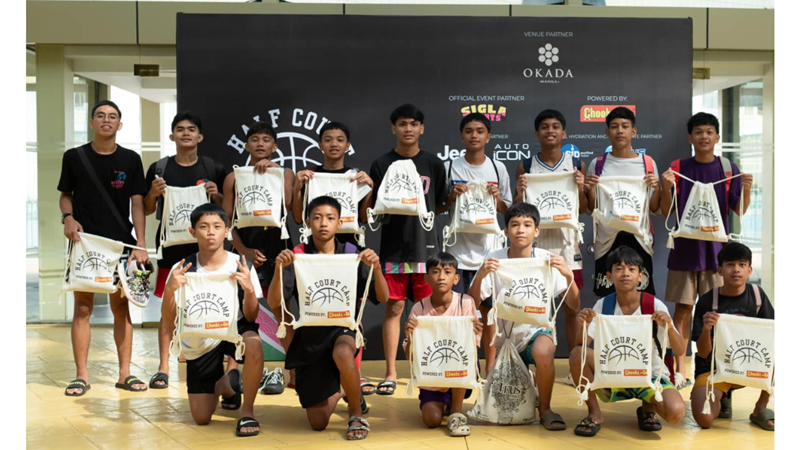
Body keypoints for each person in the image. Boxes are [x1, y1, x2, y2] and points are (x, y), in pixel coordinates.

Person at [267, 196, 389, 440]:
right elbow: (273, 302)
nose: (324, 223)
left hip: (343, 329)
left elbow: (383, 297)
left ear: (340, 223)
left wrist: (376, 268)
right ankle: (345, 387)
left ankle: (355, 413)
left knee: (343, 352)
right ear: (307, 222)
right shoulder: (297, 255)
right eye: (317, 217)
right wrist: (278, 269)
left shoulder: (353, 254)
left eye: (330, 218)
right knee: (318, 423)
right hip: (310, 336)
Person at [58, 100, 150, 396]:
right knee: (83, 308)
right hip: (84, 243)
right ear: (91, 123)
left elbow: (137, 203)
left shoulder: (131, 159)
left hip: (121, 243)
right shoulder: (74, 157)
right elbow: (65, 195)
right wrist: (68, 217)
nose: (106, 120)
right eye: (100, 115)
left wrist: (140, 243)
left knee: (121, 308)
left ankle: (125, 374)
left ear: (119, 125)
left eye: (112, 116)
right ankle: (81, 376)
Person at [469, 203, 580, 431]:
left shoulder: (548, 259)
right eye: (515, 224)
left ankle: (546, 409)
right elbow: (472, 303)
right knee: (504, 409)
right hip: (505, 343)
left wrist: (568, 276)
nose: (521, 229)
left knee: (544, 349)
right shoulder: (495, 259)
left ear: (537, 231)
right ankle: (528, 379)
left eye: (527, 225)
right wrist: (480, 276)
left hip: (535, 335)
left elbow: (574, 305)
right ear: (506, 231)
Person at [661, 112, 752, 389]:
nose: (704, 136)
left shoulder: (728, 168)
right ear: (690, 137)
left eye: (709, 132)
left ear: (717, 137)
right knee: (682, 311)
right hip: (684, 253)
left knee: (717, 314)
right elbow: (666, 211)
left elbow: (739, 210)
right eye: (699, 132)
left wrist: (747, 188)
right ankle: (680, 370)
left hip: (717, 256)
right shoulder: (677, 167)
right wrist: (666, 187)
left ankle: (719, 368)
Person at [366, 104, 448, 395]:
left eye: (414, 124)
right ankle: (390, 372)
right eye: (402, 124)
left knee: (428, 311)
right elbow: (375, 208)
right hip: (393, 249)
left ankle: (427, 368)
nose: (408, 129)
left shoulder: (433, 163)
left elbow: (439, 204)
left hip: (426, 250)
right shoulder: (381, 164)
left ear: (421, 128)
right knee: (395, 308)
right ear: (394, 128)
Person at [161, 203, 264, 437]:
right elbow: (169, 321)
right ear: (192, 231)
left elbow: (251, 316)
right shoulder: (182, 268)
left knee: (254, 344)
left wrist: (249, 290)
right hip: (200, 333)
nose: (210, 232)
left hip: (234, 327)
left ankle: (247, 411)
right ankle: (225, 385)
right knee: (201, 417)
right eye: (203, 227)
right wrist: (169, 290)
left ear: (226, 231)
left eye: (217, 227)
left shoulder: (241, 264)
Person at [144, 111, 228, 389]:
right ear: (172, 136)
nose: (186, 133)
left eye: (191, 129)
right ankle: (163, 367)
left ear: (199, 136)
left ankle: (219, 365)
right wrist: (153, 193)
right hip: (171, 249)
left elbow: (227, 210)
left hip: (209, 251)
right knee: (169, 309)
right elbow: (147, 209)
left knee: (212, 303)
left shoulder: (213, 167)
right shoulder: (159, 168)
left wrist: (217, 195)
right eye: (180, 129)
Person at [291, 122, 377, 394]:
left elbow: (363, 216)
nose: (334, 144)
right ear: (319, 145)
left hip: (348, 252)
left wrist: (370, 188)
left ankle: (353, 376)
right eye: (328, 139)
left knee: (352, 316)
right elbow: (298, 217)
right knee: (317, 310)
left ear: (347, 145)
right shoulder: (309, 175)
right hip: (315, 253)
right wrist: (297, 188)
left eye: (340, 139)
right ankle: (320, 372)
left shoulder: (355, 176)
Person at [569, 246, 685, 437]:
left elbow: (679, 349)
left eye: (631, 269)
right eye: (619, 269)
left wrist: (669, 328)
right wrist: (583, 325)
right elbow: (579, 348)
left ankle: (648, 407)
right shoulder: (603, 305)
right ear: (609, 276)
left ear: (640, 276)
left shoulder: (654, 305)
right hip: (613, 373)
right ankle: (594, 413)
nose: (625, 273)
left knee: (676, 413)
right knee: (576, 355)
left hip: (649, 376)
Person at [514, 109, 587, 386]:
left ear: (564, 133)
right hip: (537, 248)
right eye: (544, 127)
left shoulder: (576, 164)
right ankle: (533, 368)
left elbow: (585, 208)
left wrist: (581, 187)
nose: (550, 131)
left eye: (555, 126)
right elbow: (517, 209)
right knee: (533, 310)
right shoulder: (526, 166)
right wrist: (520, 191)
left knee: (572, 310)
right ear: (537, 133)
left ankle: (575, 367)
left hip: (568, 247)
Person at [222, 121, 296, 388]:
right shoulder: (233, 177)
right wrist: (243, 250)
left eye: (266, 139)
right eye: (255, 139)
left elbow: (290, 208)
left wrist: (275, 173)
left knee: (283, 313)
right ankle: (233, 370)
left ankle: (294, 369)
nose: (260, 144)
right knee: (239, 313)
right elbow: (226, 222)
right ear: (246, 146)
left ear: (274, 147)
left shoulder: (285, 173)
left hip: (279, 250)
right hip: (245, 251)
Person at [443, 112, 512, 374]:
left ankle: (491, 367)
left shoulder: (497, 168)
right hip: (458, 253)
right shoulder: (451, 167)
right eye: (469, 131)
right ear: (461, 136)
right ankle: (467, 362)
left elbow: (506, 209)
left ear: (488, 136)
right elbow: (440, 206)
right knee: (461, 313)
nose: (474, 135)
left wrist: (497, 198)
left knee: (489, 311)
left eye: (480, 131)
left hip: (489, 253)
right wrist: (452, 196)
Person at [689, 243, 773, 431]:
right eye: (730, 264)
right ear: (720, 270)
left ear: (749, 270)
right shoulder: (707, 301)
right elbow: (703, 353)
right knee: (705, 420)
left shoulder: (758, 296)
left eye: (742, 265)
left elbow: (773, 334)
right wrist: (706, 330)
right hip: (715, 368)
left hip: (749, 365)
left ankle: (760, 408)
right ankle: (722, 395)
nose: (736, 269)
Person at [585, 107, 661, 298]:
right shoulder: (598, 164)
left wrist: (658, 188)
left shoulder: (647, 163)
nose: (619, 130)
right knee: (607, 299)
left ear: (633, 131)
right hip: (607, 240)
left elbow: (653, 208)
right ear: (607, 132)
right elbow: (592, 208)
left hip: (639, 238)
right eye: (614, 126)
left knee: (641, 299)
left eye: (625, 126)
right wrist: (589, 189)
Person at [403, 252, 482, 437]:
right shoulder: (419, 309)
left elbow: (472, 349)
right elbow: (410, 357)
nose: (441, 277)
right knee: (431, 420)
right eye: (435, 271)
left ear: (456, 278)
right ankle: (443, 401)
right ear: (426, 278)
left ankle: (457, 411)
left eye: (447, 272)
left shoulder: (465, 302)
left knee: (462, 358)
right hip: (432, 375)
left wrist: (474, 332)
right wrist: (411, 336)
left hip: (458, 371)